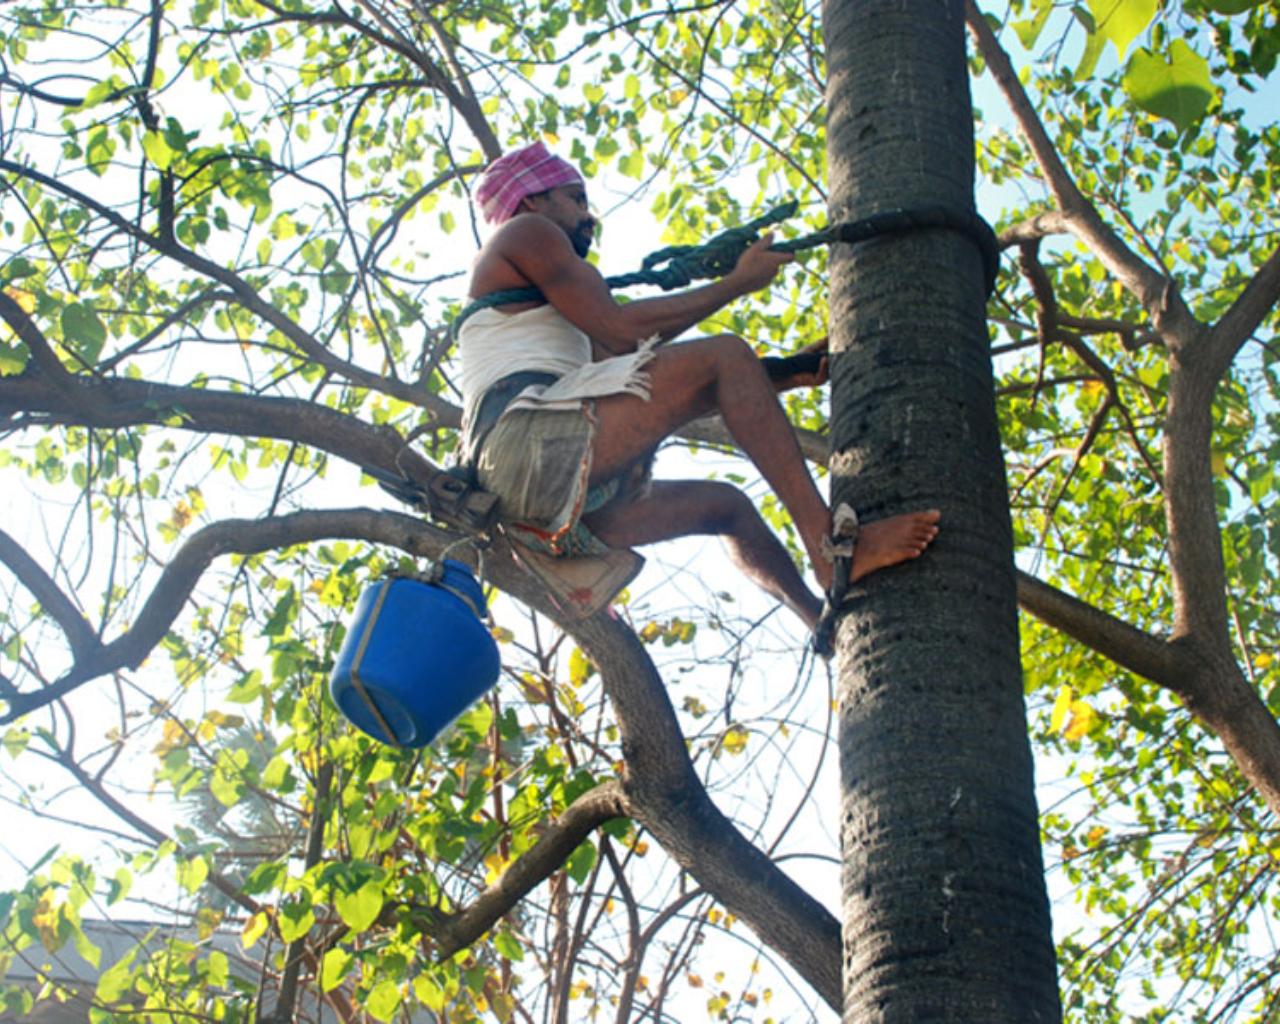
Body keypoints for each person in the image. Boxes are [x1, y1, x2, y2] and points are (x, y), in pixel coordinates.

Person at [457, 141, 939, 633]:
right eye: (575, 198)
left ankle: (823, 626)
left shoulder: (557, 319)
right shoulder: (527, 231)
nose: (588, 215)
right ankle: (832, 548)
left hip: (536, 498)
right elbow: (623, 330)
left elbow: (644, 371)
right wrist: (736, 283)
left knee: (727, 507)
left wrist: (782, 372)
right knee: (724, 354)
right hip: (524, 450)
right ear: (533, 201)